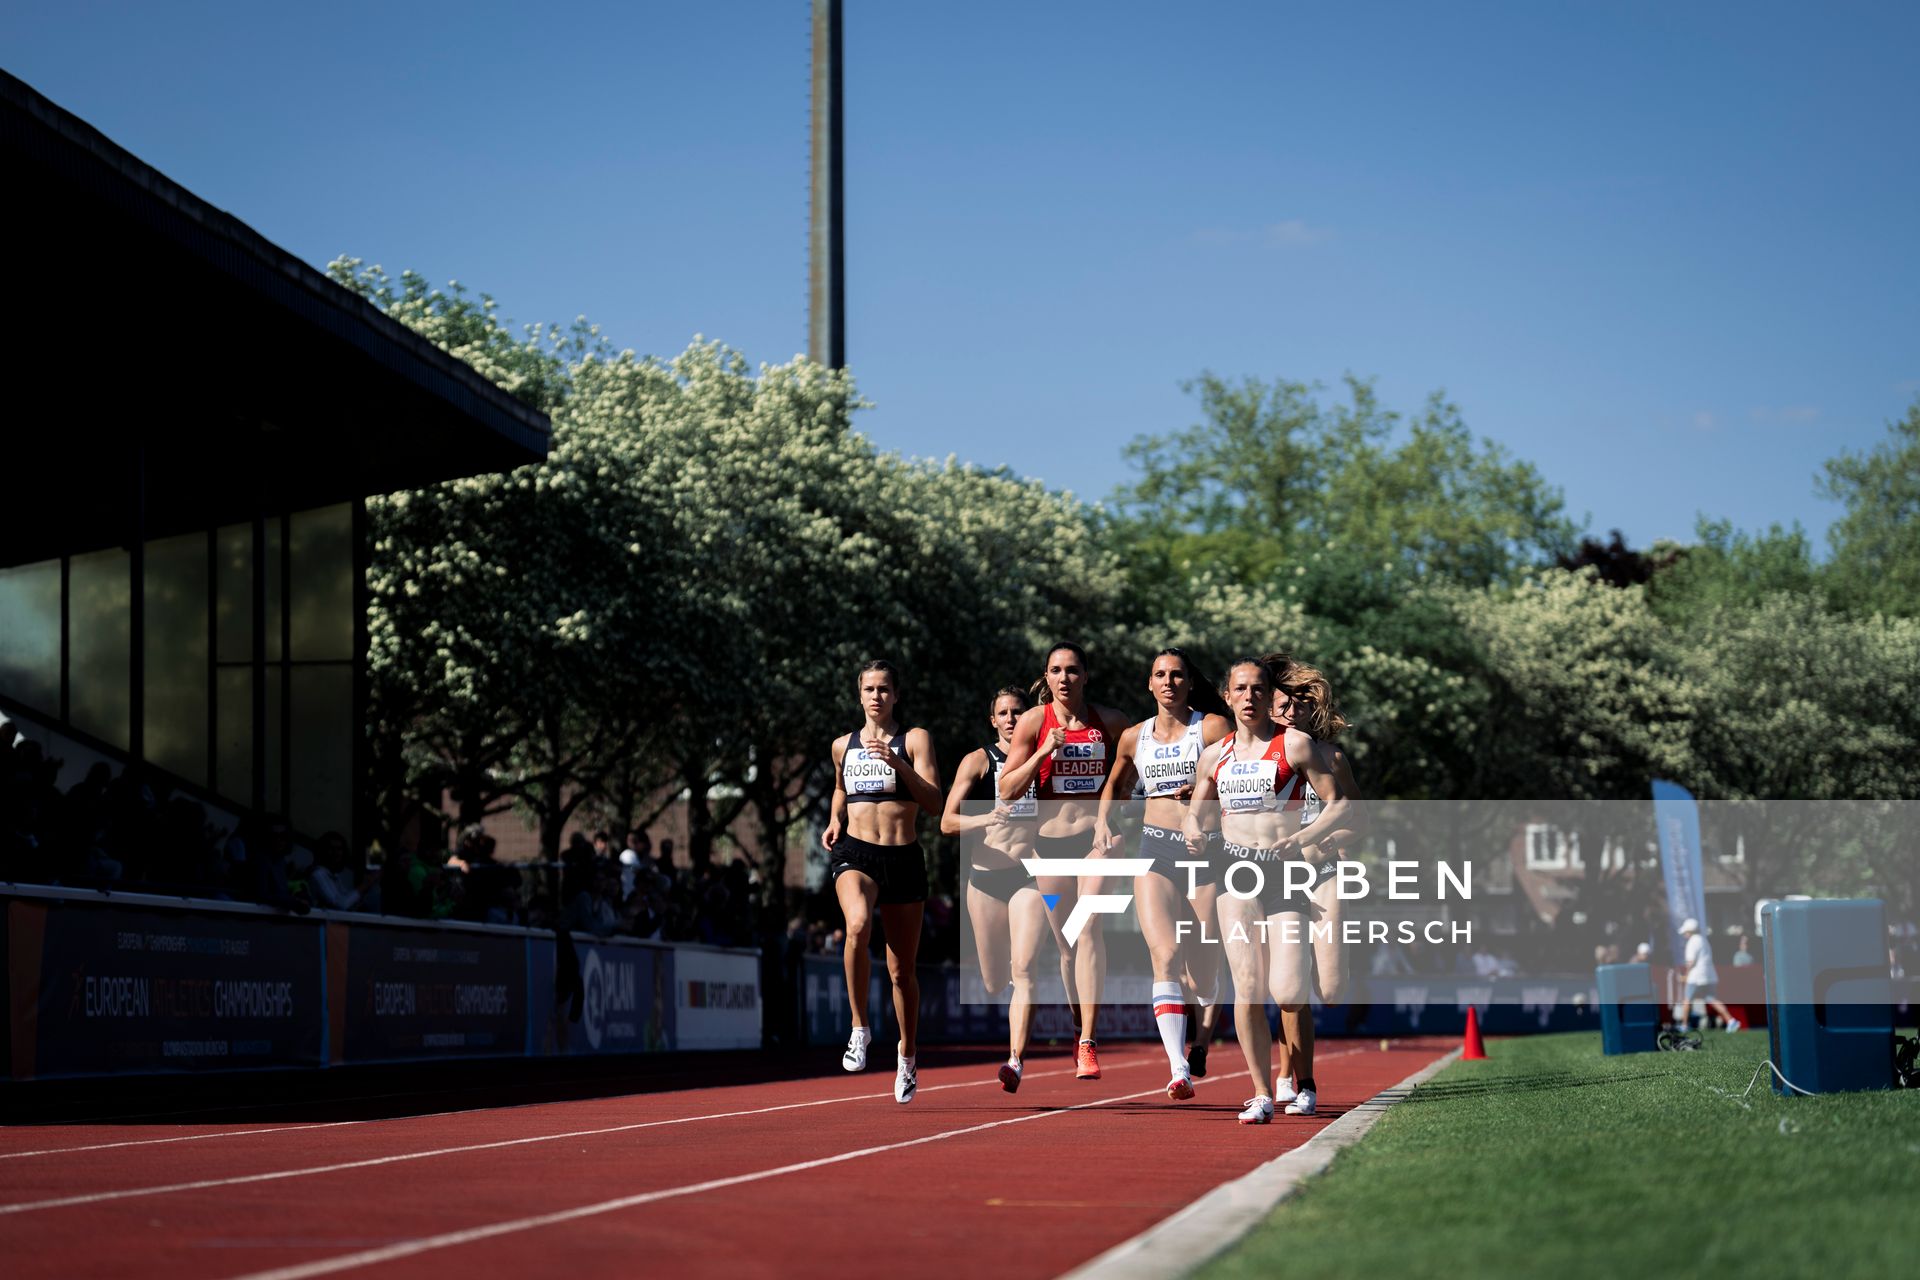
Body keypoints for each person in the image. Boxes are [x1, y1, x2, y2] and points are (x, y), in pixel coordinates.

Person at [1183, 658, 1350, 1125]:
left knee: (1289, 988)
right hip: (1236, 870)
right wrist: (1195, 832)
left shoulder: (1294, 745)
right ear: (1228, 695)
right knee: (1248, 986)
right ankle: (1260, 1092)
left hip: (1284, 872)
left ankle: (1301, 1077)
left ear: (1267, 694)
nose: (1251, 696)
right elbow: (1195, 814)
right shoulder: (1215, 756)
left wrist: (1304, 837)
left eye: (1260, 688)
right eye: (1242, 688)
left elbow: (1338, 806)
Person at [1094, 648, 1231, 1100]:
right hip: (1154, 849)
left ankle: (1205, 1021)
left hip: (1205, 853)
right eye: (1160, 675)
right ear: (1149, 684)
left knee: (1203, 971)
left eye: (1177, 675)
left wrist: (1205, 793)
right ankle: (1178, 1067)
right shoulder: (1135, 737)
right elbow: (1115, 783)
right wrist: (1103, 821)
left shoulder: (1210, 728)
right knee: (1165, 954)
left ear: (1189, 683)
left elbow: (1241, 779)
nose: (1169, 682)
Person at [997, 642, 1130, 1080]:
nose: (1064, 678)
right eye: (1056, 670)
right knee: (1067, 945)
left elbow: (1134, 782)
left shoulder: (1109, 723)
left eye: (1072, 670)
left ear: (1085, 676)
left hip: (1096, 846)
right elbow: (1008, 789)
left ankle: (1089, 1042)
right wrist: (1042, 753)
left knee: (1088, 928)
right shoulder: (1034, 722)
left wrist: (1114, 820)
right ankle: (1078, 1024)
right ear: (1047, 677)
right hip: (1049, 849)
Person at [822, 659, 943, 1103]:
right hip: (855, 852)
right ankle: (859, 1027)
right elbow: (839, 787)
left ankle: (907, 1055)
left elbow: (934, 801)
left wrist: (898, 763)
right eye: (869, 689)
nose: (877, 696)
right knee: (856, 925)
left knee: (901, 972)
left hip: (903, 858)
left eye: (885, 689)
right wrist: (835, 818)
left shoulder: (915, 739)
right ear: (859, 695)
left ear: (896, 694)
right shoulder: (842, 745)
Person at [942, 685, 1063, 1092]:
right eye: (1004, 713)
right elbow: (946, 822)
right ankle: (1008, 990)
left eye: (1018, 712)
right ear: (993, 720)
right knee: (994, 980)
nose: (1012, 719)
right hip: (985, 879)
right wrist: (985, 820)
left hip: (1029, 874)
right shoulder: (978, 761)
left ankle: (1014, 1060)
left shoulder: (1042, 758)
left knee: (1024, 968)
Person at [1265, 657, 1362, 1119]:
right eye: (1281, 705)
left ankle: (1292, 1069)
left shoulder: (1331, 759)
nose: (1289, 713)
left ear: (1311, 712)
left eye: (1298, 706)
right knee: (1289, 982)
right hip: (1276, 879)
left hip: (1321, 872)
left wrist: (1321, 846)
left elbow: (1357, 824)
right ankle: (1295, 1076)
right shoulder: (1260, 758)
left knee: (1330, 988)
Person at [1675, 918, 1741, 1033]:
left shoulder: (1692, 942)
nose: (1684, 934)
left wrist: (1685, 976)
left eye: (1685, 931)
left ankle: (1684, 1026)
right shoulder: (1703, 940)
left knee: (1687, 999)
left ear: (1689, 931)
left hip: (1696, 977)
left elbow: (1690, 962)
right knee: (1712, 999)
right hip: (1709, 976)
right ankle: (1731, 1021)